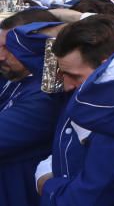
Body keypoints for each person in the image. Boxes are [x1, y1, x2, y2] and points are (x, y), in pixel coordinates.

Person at [35, 15, 114, 205]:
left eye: (73, 75)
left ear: (107, 69)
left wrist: (47, 183)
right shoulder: (80, 94)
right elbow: (21, 39)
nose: (66, 85)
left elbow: (88, 198)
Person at [0, 11, 65, 206]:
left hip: (18, 191)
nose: (1, 56)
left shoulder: (46, 94)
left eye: (9, 47)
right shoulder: (15, 76)